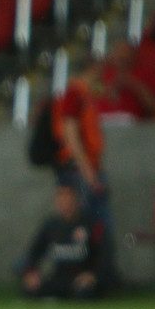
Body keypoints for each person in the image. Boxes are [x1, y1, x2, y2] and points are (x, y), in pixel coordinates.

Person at [52, 60, 117, 289]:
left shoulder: (82, 95)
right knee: (92, 227)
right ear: (89, 71)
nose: (99, 79)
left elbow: (110, 94)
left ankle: (97, 275)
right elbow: (71, 133)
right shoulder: (75, 95)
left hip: (85, 169)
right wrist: (88, 172)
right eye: (97, 74)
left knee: (95, 225)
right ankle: (93, 276)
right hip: (81, 171)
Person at [19, 183, 102, 299]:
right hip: (59, 278)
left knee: (85, 293)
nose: (64, 201)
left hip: (82, 278)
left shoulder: (91, 224)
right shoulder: (50, 225)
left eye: (68, 197)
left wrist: (92, 275)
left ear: (76, 199)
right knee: (30, 290)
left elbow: (103, 255)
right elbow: (34, 252)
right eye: (61, 197)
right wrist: (31, 272)